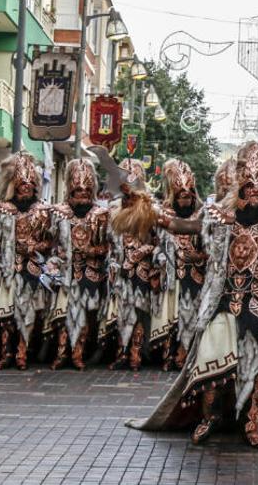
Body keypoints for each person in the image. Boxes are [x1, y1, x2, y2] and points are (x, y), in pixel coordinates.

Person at [127, 141, 258, 448]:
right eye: (247, 185)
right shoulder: (220, 219)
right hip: (225, 303)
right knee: (211, 361)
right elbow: (182, 225)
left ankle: (252, 424)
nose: (253, 192)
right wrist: (148, 211)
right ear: (239, 187)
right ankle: (209, 418)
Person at [0, 152, 53, 370]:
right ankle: (6, 352)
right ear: (14, 184)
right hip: (7, 268)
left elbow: (50, 243)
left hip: (32, 268)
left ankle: (22, 352)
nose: (26, 187)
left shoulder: (43, 211)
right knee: (6, 315)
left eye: (30, 184)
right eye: (22, 184)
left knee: (29, 314)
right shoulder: (2, 209)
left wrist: (34, 247)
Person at [47, 159, 110, 371]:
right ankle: (61, 353)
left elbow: (107, 248)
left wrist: (91, 251)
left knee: (83, 316)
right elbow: (50, 244)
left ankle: (77, 353)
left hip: (90, 273)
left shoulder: (101, 215)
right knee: (63, 314)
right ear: (70, 192)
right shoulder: (57, 212)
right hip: (64, 273)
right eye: (78, 192)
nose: (82, 195)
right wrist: (55, 259)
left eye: (86, 192)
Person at [105, 158, 161, 371]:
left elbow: (159, 242)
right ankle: (122, 351)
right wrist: (112, 260)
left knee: (139, 310)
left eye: (133, 177)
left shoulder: (152, 208)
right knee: (122, 311)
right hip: (119, 269)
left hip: (142, 269)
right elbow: (108, 240)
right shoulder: (113, 208)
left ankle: (136, 352)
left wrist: (141, 253)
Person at [156, 159, 205, 372]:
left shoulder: (203, 215)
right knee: (170, 315)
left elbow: (212, 248)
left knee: (190, 317)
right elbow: (154, 244)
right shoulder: (163, 215)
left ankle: (187, 354)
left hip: (195, 276)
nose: (185, 200)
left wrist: (199, 256)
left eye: (188, 196)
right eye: (181, 196)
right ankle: (167, 355)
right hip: (170, 275)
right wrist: (162, 258)